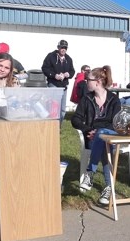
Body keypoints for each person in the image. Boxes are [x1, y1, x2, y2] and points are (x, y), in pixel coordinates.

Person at [71, 65, 121, 206]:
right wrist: (88, 130)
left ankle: (90, 173)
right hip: (93, 137)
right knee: (103, 143)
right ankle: (109, 188)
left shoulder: (114, 99)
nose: (86, 82)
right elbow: (75, 119)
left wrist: (98, 132)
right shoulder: (86, 99)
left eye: (88, 79)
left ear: (98, 81)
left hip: (110, 135)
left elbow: (116, 123)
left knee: (102, 136)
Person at [41, 39, 76, 126]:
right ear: (58, 47)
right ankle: (51, 127)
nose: (63, 49)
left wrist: (68, 74)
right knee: (53, 108)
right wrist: (54, 75)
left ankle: (58, 127)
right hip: (53, 85)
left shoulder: (68, 59)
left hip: (64, 86)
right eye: (62, 47)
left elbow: (72, 71)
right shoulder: (51, 56)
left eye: (65, 48)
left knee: (63, 110)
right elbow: (44, 68)